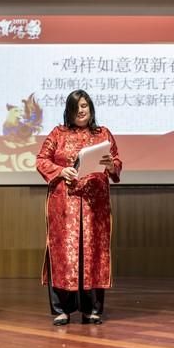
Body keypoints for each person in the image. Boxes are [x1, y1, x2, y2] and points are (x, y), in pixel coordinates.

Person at [36, 90, 122, 326]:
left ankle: (92, 309)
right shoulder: (58, 133)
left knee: (93, 252)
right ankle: (62, 309)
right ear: (68, 111)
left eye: (84, 106)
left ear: (91, 108)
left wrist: (110, 165)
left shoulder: (102, 133)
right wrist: (61, 170)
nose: (81, 110)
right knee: (64, 252)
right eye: (76, 107)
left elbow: (116, 163)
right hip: (64, 203)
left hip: (95, 204)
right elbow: (42, 159)